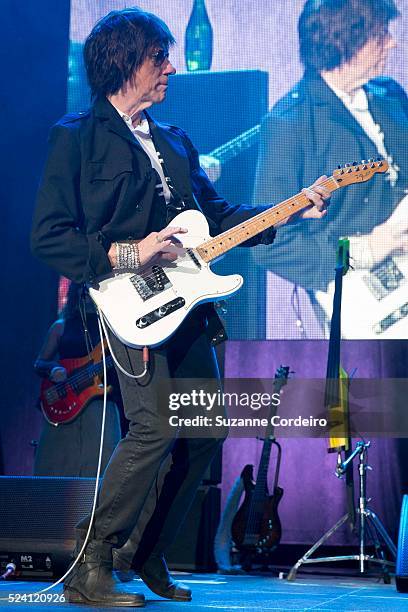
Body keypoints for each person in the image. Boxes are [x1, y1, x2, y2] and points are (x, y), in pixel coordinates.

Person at [31, 8, 330, 607]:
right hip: (121, 307)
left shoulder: (174, 140)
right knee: (154, 427)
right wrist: (129, 252)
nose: (170, 68)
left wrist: (288, 210)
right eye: (158, 58)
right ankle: (89, 569)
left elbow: (217, 219)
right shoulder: (77, 137)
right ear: (123, 63)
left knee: (204, 433)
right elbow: (50, 236)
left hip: (186, 308)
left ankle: (142, 553)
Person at [252, 0, 408, 339]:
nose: (392, 43)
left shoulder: (391, 97)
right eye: (380, 35)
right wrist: (365, 249)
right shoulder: (289, 124)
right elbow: (269, 243)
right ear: (346, 40)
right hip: (370, 301)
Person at [33, 282, 121, 477]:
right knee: (57, 464)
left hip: (99, 401)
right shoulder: (61, 326)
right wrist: (53, 369)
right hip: (64, 401)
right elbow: (40, 363)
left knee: (100, 464)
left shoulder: (111, 326)